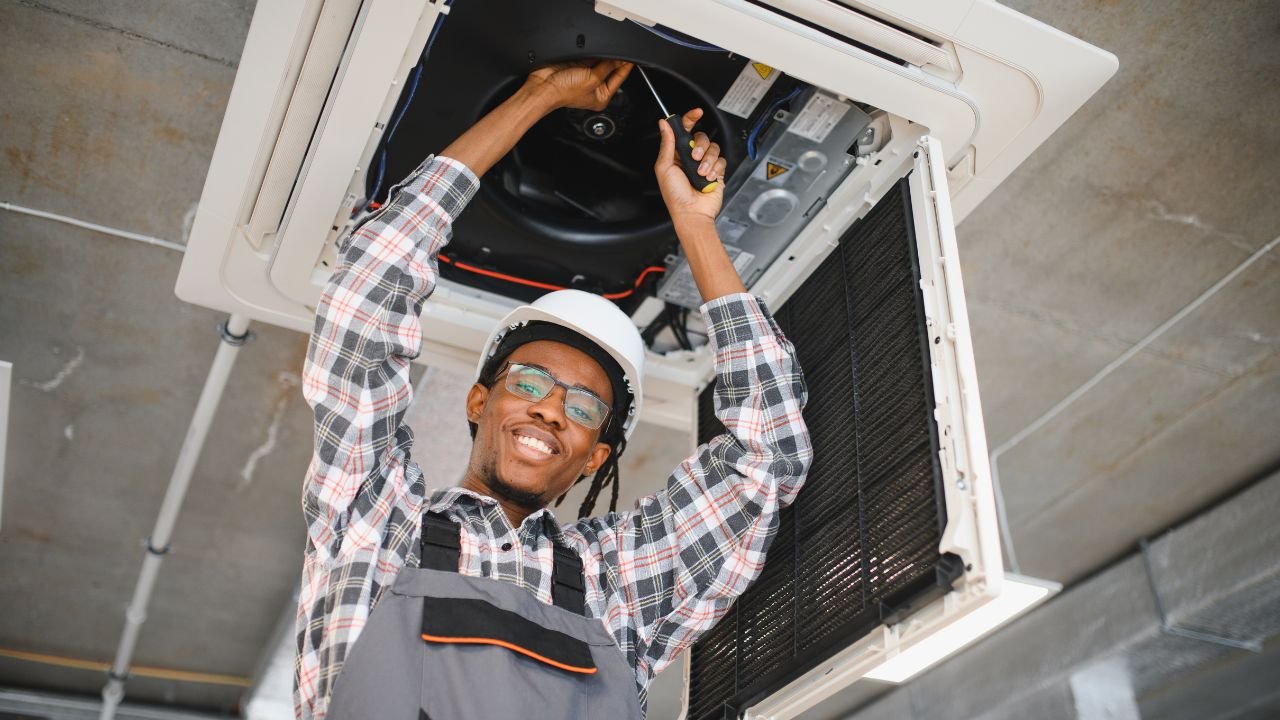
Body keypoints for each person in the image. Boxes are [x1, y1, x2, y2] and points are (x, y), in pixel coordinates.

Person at [295, 59, 812, 719]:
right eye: (530, 380)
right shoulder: (374, 524)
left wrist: (697, 230)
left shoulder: (616, 584)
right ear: (479, 402)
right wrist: (537, 98)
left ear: (595, 455)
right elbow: (362, 302)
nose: (551, 406)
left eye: (585, 406)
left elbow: (767, 456)